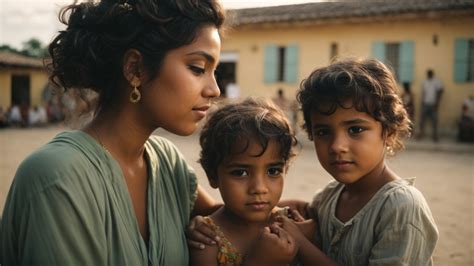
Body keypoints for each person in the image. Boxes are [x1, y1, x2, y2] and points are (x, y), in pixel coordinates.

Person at [1, 0, 225, 265]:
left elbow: (228, 219)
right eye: (198, 68)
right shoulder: (58, 178)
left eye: (214, 71)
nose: (215, 90)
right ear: (135, 69)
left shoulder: (167, 163)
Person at [278, 58, 438, 265]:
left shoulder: (401, 208)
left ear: (388, 132)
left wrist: (300, 243)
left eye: (355, 130)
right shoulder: (329, 196)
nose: (337, 146)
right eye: (323, 132)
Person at [189, 98, 302, 265]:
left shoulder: (292, 224)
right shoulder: (207, 239)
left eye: (273, 171)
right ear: (213, 175)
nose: (259, 188)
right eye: (240, 173)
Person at [418, 69, 443, 142]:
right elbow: (423, 92)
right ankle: (421, 134)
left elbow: (441, 91)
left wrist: (437, 102)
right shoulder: (425, 82)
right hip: (425, 103)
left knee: (434, 120)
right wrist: (422, 102)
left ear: (432, 74)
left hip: (433, 104)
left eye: (430, 74)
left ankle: (435, 136)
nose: (428, 75)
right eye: (428, 74)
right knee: (422, 120)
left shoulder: (436, 82)